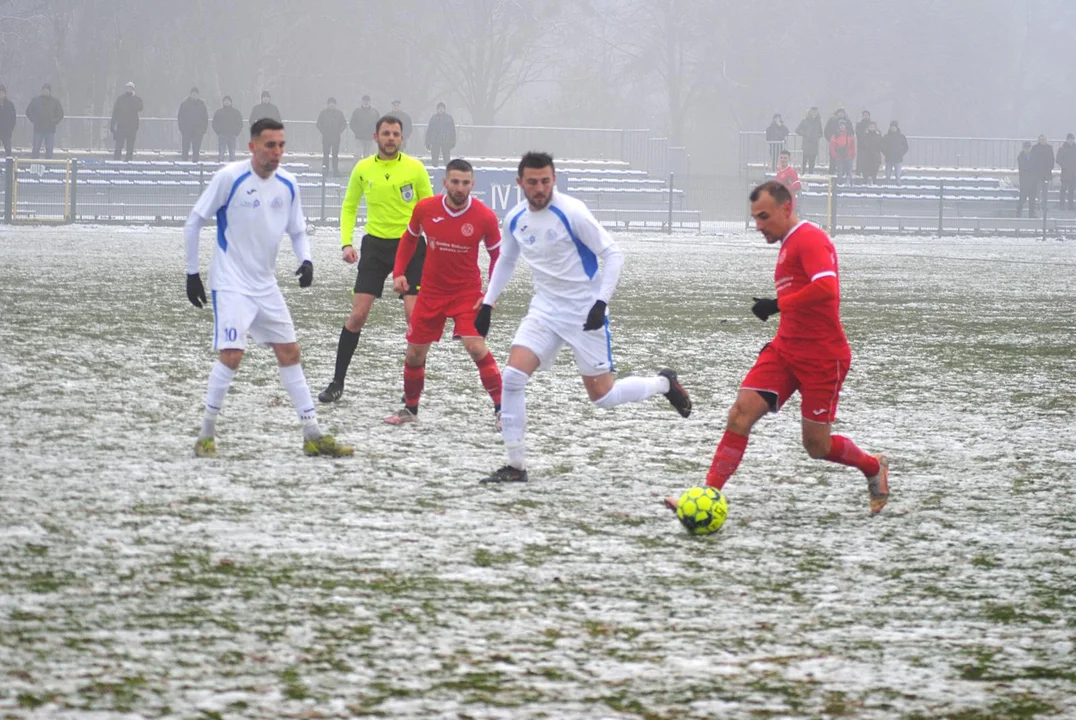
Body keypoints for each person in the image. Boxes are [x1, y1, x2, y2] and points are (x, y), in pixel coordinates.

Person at [664, 180, 888, 518]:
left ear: (787, 207)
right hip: (785, 350)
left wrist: (778, 304)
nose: (758, 226)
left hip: (823, 357)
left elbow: (827, 288)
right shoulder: (787, 243)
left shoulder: (810, 238)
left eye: (764, 216)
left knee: (817, 446)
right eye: (755, 218)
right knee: (740, 413)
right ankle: (706, 495)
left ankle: (873, 467)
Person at [473, 152, 692, 483]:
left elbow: (613, 254)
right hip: (545, 310)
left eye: (545, 181)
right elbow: (506, 259)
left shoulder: (572, 212)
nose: (540, 188)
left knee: (603, 397)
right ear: (520, 183)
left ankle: (663, 384)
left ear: (554, 179)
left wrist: (600, 303)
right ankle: (516, 467)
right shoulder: (515, 218)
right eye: (532, 182)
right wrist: (488, 303)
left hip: (585, 312)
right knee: (514, 378)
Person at [184, 118, 353, 459]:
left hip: (265, 284)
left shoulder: (288, 184)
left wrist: (306, 260)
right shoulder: (230, 178)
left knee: (290, 353)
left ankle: (312, 434)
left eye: (281, 145)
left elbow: (298, 230)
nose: (277, 152)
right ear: (253, 147)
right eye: (269, 145)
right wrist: (192, 274)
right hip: (230, 283)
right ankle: (206, 435)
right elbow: (194, 221)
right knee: (232, 356)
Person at [318, 115, 434, 403]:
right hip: (375, 248)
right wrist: (346, 243)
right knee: (358, 315)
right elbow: (349, 206)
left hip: (411, 246)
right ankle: (337, 382)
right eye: (386, 133)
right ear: (376, 137)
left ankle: (413, 390)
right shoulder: (363, 168)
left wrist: (434, 247)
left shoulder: (415, 168)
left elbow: (429, 209)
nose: (391, 138)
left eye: (396, 134)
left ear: (402, 138)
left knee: (413, 318)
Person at [383, 158, 503, 425]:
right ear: (445, 182)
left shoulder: (484, 216)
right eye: (455, 182)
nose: (460, 188)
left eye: (465, 183)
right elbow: (410, 238)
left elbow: (498, 256)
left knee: (476, 347)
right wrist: (400, 271)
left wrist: (490, 294)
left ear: (473, 184)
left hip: (466, 294)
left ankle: (502, 410)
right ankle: (410, 410)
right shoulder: (426, 208)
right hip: (431, 293)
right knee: (414, 354)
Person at [26, 83, 64, 159]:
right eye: (44, 90)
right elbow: (28, 111)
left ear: (50, 91)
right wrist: (34, 120)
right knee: (36, 148)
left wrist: (54, 121)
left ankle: (48, 167)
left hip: (50, 129)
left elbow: (60, 114)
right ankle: (34, 165)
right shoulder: (36, 100)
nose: (45, 91)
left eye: (47, 90)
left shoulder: (55, 102)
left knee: (49, 149)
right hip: (38, 129)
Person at [110, 82, 143, 161]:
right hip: (121, 127)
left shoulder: (137, 99)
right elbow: (115, 113)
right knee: (118, 148)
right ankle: (116, 164)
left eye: (131, 88)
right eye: (128, 88)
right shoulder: (120, 99)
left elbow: (139, 108)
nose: (129, 90)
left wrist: (133, 97)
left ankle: (128, 165)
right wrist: (112, 125)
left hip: (132, 129)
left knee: (130, 149)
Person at [316, 97, 348, 175]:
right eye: (330, 103)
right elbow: (318, 124)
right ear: (328, 104)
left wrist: (340, 131)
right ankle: (325, 170)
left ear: (335, 105)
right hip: (326, 137)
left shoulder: (339, 113)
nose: (332, 105)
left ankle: (335, 170)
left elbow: (344, 123)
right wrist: (323, 131)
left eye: (333, 103)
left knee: (335, 155)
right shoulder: (323, 113)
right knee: (326, 154)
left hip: (336, 137)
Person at [177, 87, 209, 162]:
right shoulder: (184, 104)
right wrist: (182, 129)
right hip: (186, 131)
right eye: (193, 94)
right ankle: (184, 166)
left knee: (196, 150)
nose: (194, 95)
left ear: (198, 95)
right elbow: (180, 117)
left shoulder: (202, 105)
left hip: (198, 132)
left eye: (196, 94)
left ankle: (195, 166)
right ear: (190, 94)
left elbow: (205, 118)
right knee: (185, 150)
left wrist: (203, 129)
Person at [212, 96, 243, 162]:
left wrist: (236, 133)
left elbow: (240, 123)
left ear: (231, 102)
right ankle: (220, 168)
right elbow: (214, 123)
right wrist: (218, 132)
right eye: (225, 101)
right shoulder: (219, 112)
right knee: (221, 154)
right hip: (222, 135)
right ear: (223, 102)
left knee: (232, 154)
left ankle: (232, 169)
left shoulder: (236, 112)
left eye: (228, 101)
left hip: (232, 136)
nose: (226, 102)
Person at [425, 102, 456, 166]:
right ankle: (434, 169)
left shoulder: (449, 118)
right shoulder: (433, 118)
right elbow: (429, 131)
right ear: (437, 109)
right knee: (434, 158)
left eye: (442, 108)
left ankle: (447, 171)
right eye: (439, 108)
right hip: (435, 141)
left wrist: (453, 141)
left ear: (444, 109)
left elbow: (452, 131)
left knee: (447, 158)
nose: (441, 110)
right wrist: (427, 142)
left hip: (446, 141)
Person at [1029, 135, 1055, 211]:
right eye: (1041, 139)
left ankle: (1044, 205)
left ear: (1046, 140)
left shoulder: (1049, 148)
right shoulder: (1034, 148)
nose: (1042, 140)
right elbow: (1032, 159)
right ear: (1038, 140)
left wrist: (1050, 167)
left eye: (1043, 139)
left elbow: (1052, 159)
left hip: (1046, 173)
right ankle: (1038, 205)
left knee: (1045, 192)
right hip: (1037, 174)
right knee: (1038, 190)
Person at [795, 107, 823, 174]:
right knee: (804, 161)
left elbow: (821, 133)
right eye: (813, 112)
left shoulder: (818, 122)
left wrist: (817, 137)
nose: (814, 113)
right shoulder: (805, 121)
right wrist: (804, 134)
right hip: (806, 144)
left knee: (812, 162)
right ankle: (802, 174)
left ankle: (811, 175)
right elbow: (797, 130)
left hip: (814, 145)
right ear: (810, 112)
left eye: (815, 112)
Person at [824, 106, 852, 174]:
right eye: (839, 113)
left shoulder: (847, 121)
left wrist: (848, 141)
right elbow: (826, 131)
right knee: (833, 157)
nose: (841, 114)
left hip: (844, 144)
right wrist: (830, 139)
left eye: (842, 113)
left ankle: (843, 172)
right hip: (834, 142)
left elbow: (851, 132)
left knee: (844, 159)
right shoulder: (832, 120)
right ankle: (831, 171)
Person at [881, 121, 909, 185]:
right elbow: (881, 145)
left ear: (897, 128)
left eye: (894, 127)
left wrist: (901, 153)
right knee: (888, 175)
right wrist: (885, 152)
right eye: (892, 127)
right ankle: (887, 185)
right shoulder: (886, 137)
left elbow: (906, 147)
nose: (893, 128)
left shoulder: (901, 137)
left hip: (898, 159)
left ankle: (898, 186)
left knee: (898, 175)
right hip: (889, 158)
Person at [829, 119, 856, 185]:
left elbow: (853, 145)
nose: (842, 127)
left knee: (849, 171)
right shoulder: (835, 134)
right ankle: (839, 182)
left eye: (843, 125)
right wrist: (835, 155)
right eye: (841, 125)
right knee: (839, 171)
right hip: (839, 155)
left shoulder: (849, 134)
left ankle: (849, 182)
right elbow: (832, 145)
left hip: (848, 155)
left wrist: (853, 154)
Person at [1017, 141, 1037, 217]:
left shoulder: (1034, 156)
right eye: (1025, 148)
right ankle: (1018, 213)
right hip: (1024, 181)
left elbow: (1035, 167)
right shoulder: (1020, 156)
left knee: (1032, 199)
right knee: (1022, 198)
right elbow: (1023, 167)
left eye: (1028, 148)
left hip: (1032, 181)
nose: (1027, 149)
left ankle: (1031, 214)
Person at [1057, 133, 1076, 211]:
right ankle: (1061, 205)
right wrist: (1064, 166)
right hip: (1065, 172)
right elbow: (1058, 159)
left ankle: (1070, 206)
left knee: (1071, 190)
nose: (1071, 140)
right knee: (1063, 189)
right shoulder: (1062, 149)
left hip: (1074, 173)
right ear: (1067, 139)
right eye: (1069, 139)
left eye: (1072, 139)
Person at [0, 85, 15, 157]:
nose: (1, 95)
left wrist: (10, 129)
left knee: (8, 150)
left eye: (2, 93)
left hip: (6, 131)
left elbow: (13, 118)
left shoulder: (10, 104)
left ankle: (9, 166)